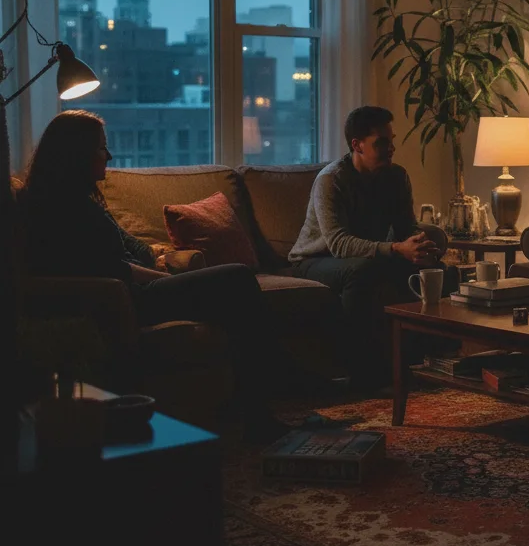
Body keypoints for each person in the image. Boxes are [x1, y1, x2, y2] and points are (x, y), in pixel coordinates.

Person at [18, 110, 289, 441]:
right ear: (77, 154)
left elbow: (123, 251)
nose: (110, 155)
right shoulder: (65, 210)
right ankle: (262, 406)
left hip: (129, 291)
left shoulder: (76, 200)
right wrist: (160, 278)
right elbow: (115, 271)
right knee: (237, 279)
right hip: (125, 300)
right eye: (102, 148)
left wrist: (160, 262)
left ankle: (252, 396)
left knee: (231, 292)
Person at [289, 106, 450, 378]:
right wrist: (397, 249)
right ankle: (362, 372)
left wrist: (418, 246)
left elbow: (405, 227)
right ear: (357, 145)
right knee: (362, 272)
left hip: (368, 257)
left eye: (392, 140)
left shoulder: (396, 177)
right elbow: (339, 244)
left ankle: (432, 363)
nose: (391, 148)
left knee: (434, 270)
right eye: (382, 142)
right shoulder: (331, 180)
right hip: (315, 260)